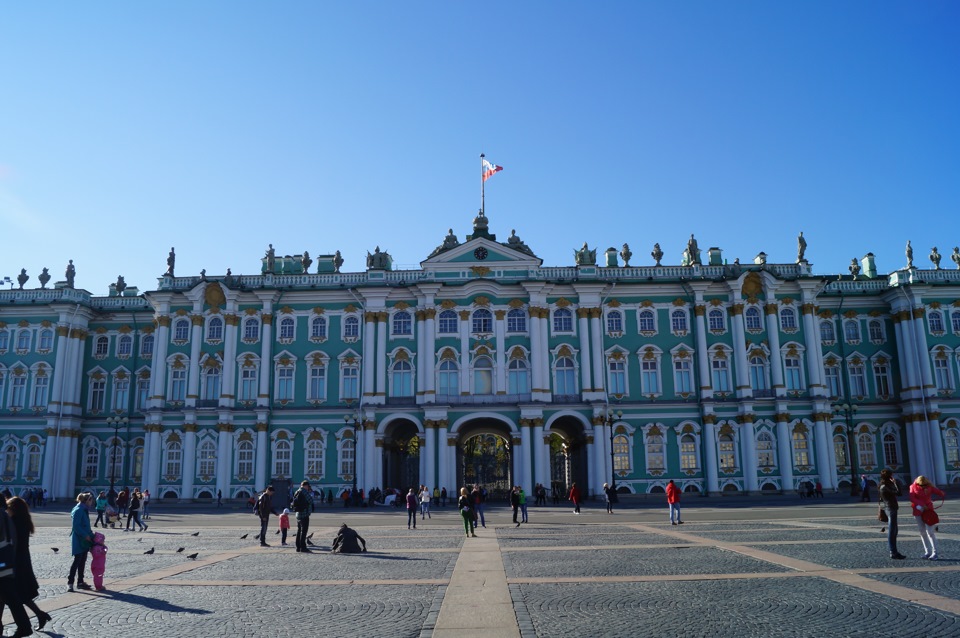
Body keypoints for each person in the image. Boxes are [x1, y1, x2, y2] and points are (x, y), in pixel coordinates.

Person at [2, 495, 48, 636]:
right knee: (16, 594)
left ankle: (34, 619)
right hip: (22, 560)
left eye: (9, 507)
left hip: (15, 560)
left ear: (13, 508)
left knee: (14, 594)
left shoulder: (13, 521)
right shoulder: (24, 521)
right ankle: (40, 615)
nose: (7, 510)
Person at [909, 475, 945, 560]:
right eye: (921, 485)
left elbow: (940, 493)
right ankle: (927, 552)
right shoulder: (912, 487)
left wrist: (941, 493)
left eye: (925, 485)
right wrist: (922, 504)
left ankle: (935, 553)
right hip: (918, 511)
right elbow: (912, 498)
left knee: (930, 532)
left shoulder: (929, 487)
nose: (923, 487)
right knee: (922, 532)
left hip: (928, 511)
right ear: (918, 483)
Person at [68, 492, 95, 592]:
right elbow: (76, 526)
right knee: (77, 561)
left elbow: (85, 525)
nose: (92, 502)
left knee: (82, 561)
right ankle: (70, 583)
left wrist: (92, 535)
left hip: (84, 539)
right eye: (91, 500)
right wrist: (86, 535)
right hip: (79, 539)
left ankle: (80, 582)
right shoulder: (79, 510)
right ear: (87, 500)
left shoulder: (83, 509)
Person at [878, 470, 905, 560]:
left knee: (894, 530)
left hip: (890, 508)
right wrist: (895, 483)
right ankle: (893, 552)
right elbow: (899, 493)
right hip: (890, 508)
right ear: (889, 476)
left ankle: (894, 551)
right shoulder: (885, 487)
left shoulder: (883, 486)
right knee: (892, 531)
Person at [292, 481, 314, 553]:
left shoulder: (297, 491)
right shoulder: (304, 491)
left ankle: (298, 547)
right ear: (306, 486)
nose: (308, 488)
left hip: (298, 514)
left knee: (299, 531)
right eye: (308, 486)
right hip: (304, 514)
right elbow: (310, 501)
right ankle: (303, 547)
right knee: (304, 532)